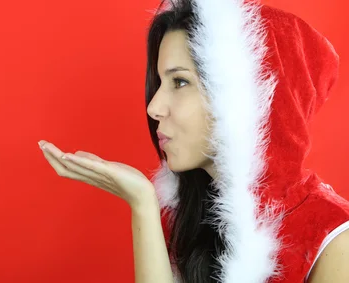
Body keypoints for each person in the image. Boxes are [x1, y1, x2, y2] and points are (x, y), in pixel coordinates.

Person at [38, 0, 349, 282]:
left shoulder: (334, 240)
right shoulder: (189, 216)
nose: (153, 107)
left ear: (247, 100)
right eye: (160, 82)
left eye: (180, 81)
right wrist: (142, 203)